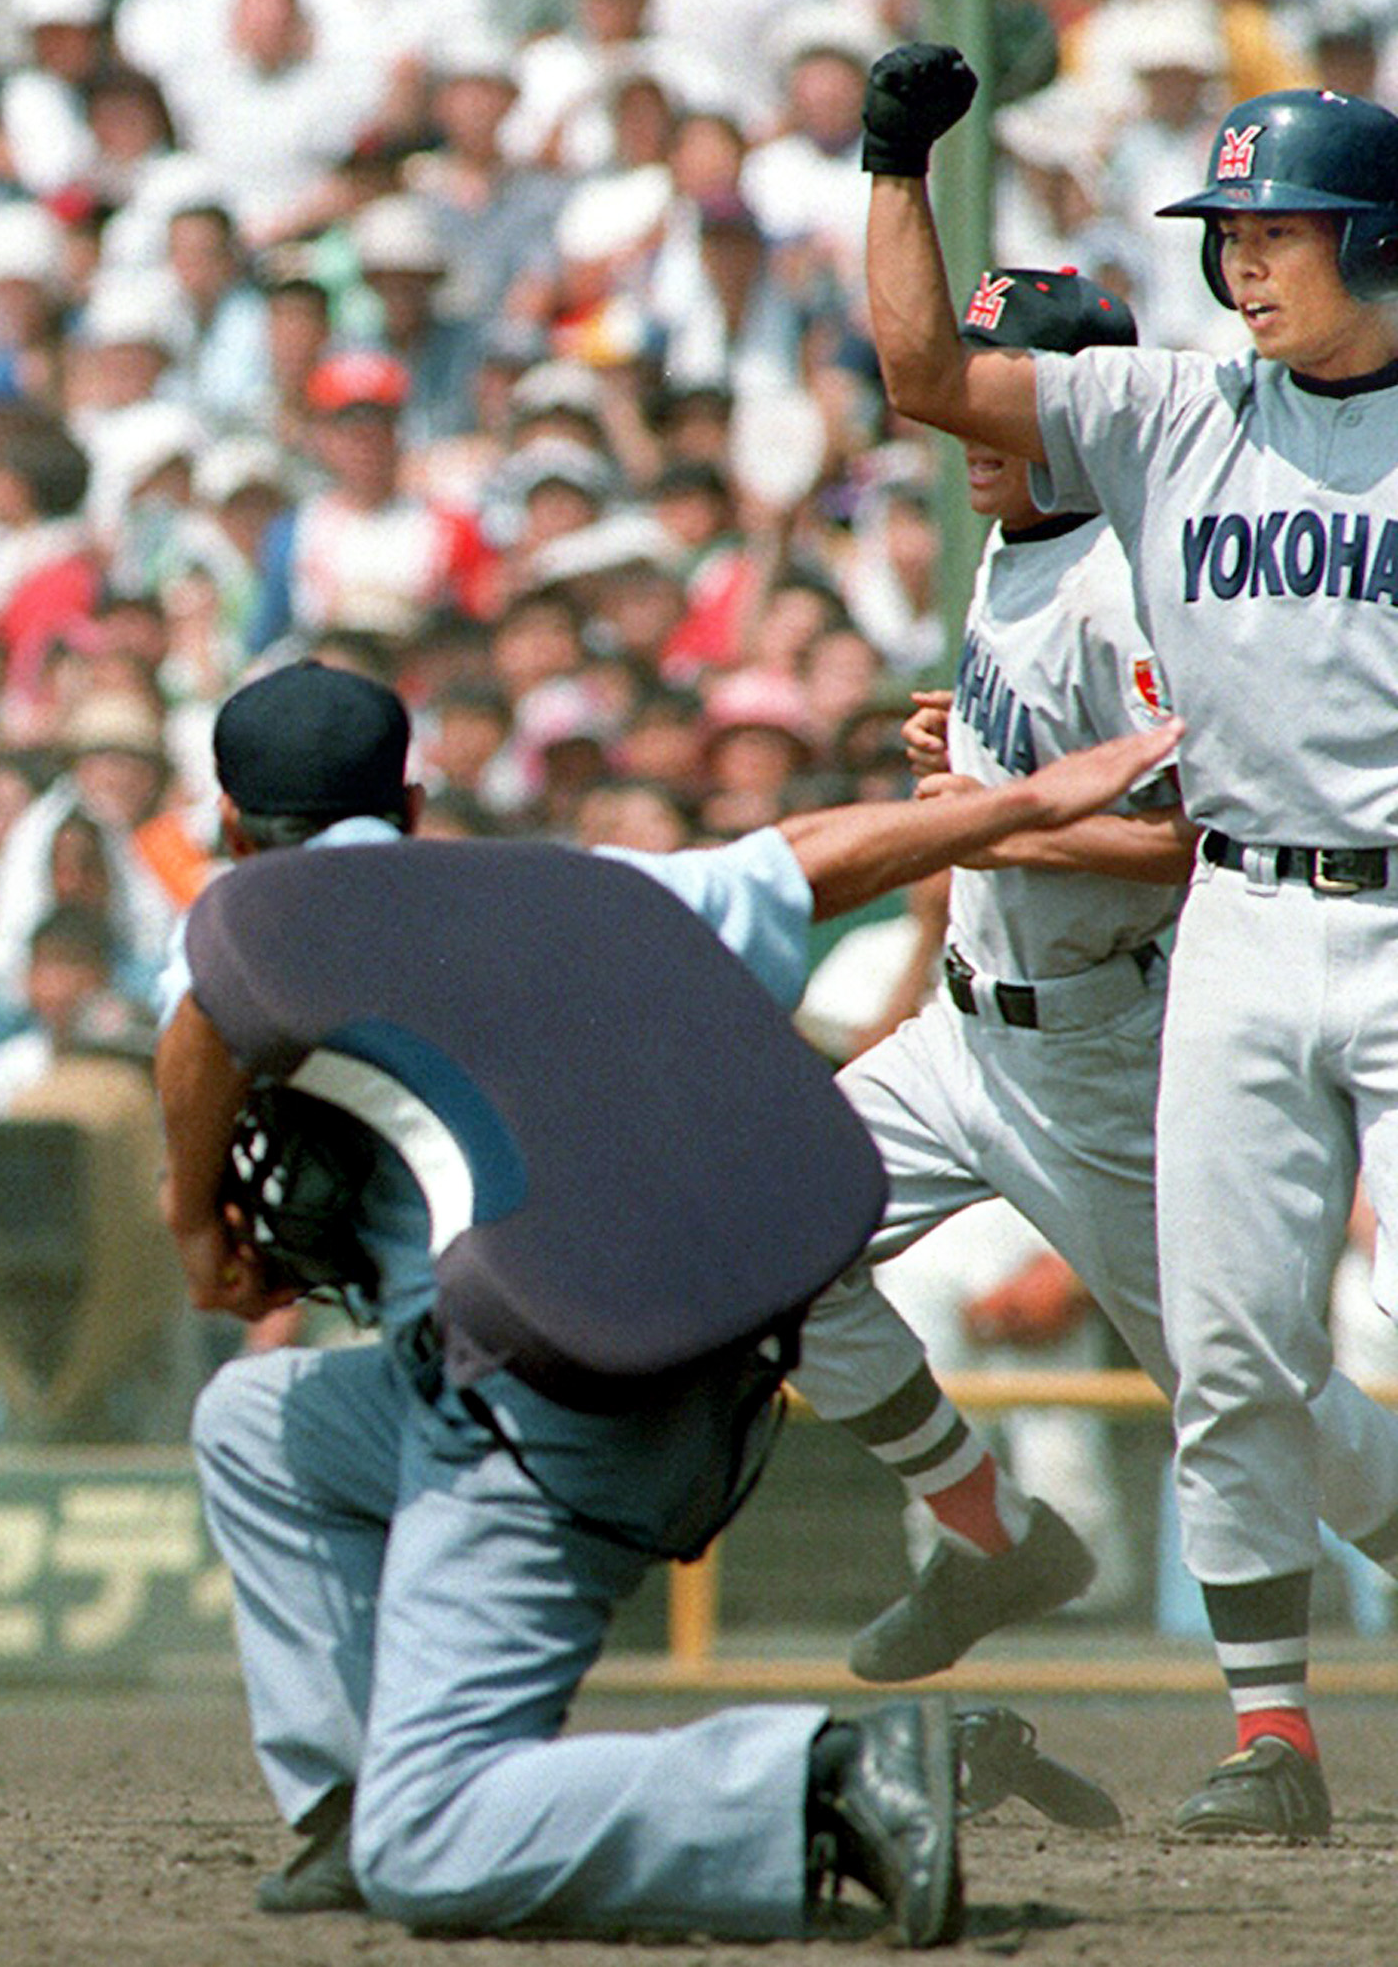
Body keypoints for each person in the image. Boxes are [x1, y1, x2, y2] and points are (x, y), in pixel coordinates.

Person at [160, 658, 1177, 1939]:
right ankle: (343, 1809)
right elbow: (812, 854)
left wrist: (191, 1219)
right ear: (412, 801)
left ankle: (820, 1774)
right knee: (255, 1423)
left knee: (441, 1845)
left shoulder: (257, 921)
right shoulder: (580, 882)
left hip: (536, 1399)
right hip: (697, 1363)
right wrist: (1011, 806)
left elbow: (197, 1016)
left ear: (231, 828)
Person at [859, 45, 1398, 1840]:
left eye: (1276, 229)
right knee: (1235, 1359)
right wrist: (891, 168)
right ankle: (1275, 1743)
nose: (1240, 260)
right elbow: (927, 374)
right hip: (1241, 915)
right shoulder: (1165, 408)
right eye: (1226, 229)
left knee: (1342, 1355)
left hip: (1370, 921)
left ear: (1376, 239)